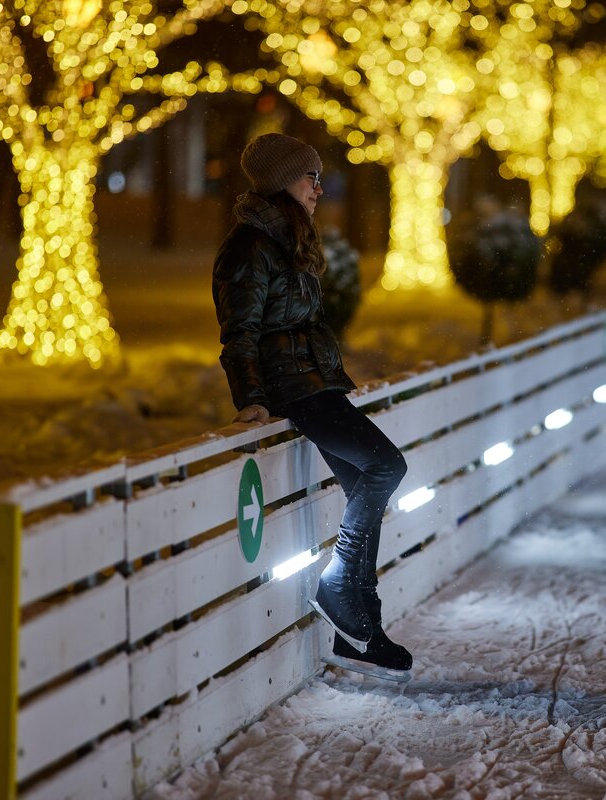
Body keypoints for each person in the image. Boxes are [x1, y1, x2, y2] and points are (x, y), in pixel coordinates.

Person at [213, 132, 413, 681]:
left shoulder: (289, 237)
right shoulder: (249, 246)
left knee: (366, 484)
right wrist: (251, 398)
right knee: (386, 466)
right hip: (293, 388)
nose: (319, 188)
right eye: (311, 177)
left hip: (316, 382)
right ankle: (339, 583)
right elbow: (240, 331)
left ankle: (359, 632)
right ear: (283, 181)